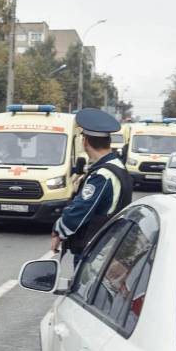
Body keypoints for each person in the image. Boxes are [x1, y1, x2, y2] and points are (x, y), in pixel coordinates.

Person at [52, 108, 133, 264]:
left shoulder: (102, 175)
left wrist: (58, 231)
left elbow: (80, 210)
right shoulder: (118, 166)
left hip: (95, 250)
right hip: (109, 247)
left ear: (85, 141)